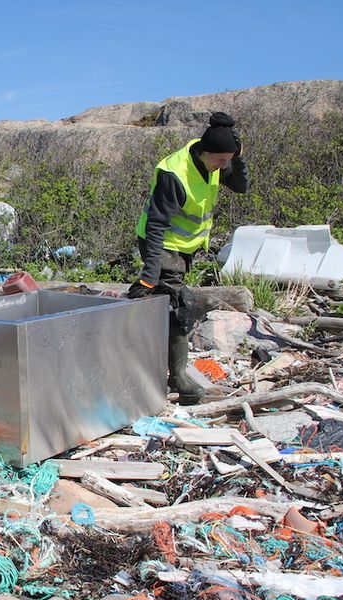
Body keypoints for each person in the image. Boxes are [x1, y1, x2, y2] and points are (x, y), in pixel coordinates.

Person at [127, 112, 249, 405]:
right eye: (221, 160)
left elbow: (241, 187)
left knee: (161, 302)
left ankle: (148, 361)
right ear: (206, 153)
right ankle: (178, 378)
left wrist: (238, 157)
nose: (224, 166)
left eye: (228, 159)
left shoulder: (216, 159)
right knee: (180, 305)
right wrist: (151, 270)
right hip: (161, 243)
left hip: (185, 247)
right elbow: (155, 225)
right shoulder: (175, 174)